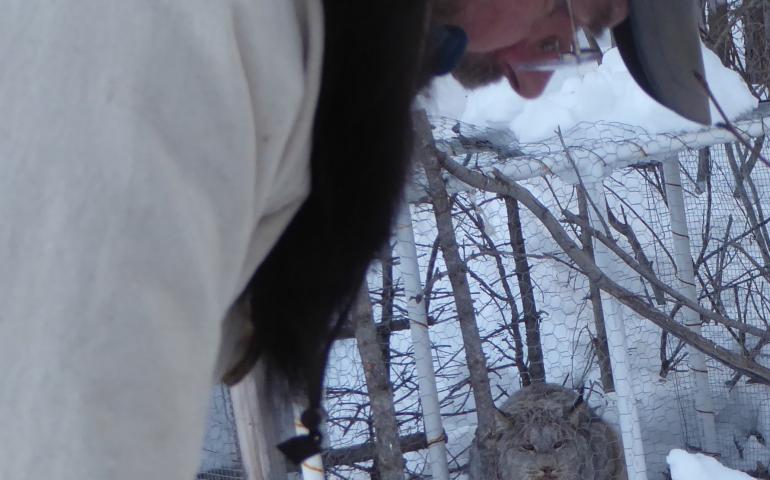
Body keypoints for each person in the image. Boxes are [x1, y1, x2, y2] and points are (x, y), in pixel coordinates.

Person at [0, 0, 705, 478]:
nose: (528, 79)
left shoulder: (294, 43)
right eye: (570, 16)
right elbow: (70, 432)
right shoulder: (180, 38)